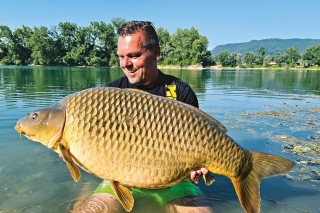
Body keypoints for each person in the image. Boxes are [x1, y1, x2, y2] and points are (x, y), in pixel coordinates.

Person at [72, 21, 213, 213]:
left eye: (134, 56)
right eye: (121, 56)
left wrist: (199, 167)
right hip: (120, 181)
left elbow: (199, 146)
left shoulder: (180, 92)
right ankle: (85, 192)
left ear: (156, 53)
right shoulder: (110, 93)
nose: (125, 64)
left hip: (173, 184)